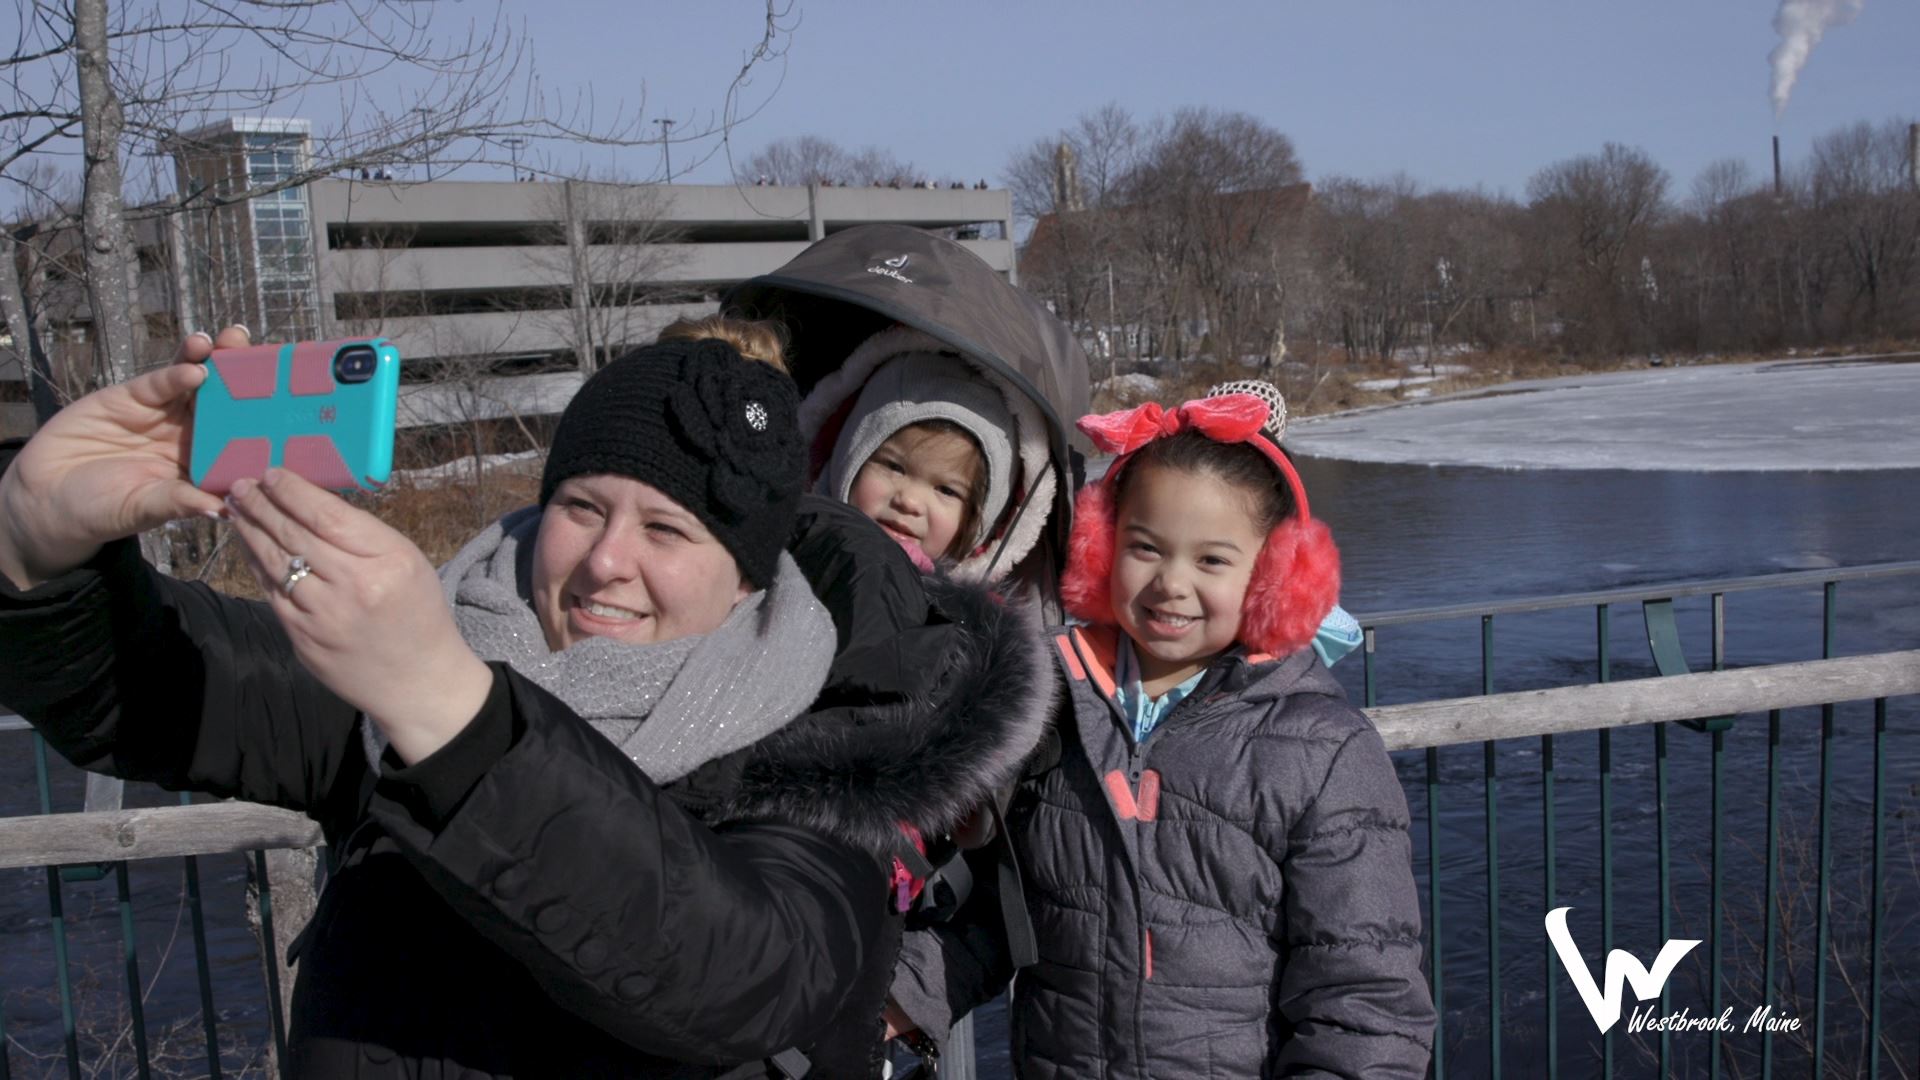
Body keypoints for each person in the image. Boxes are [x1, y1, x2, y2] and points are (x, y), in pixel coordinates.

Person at [0, 325, 1049, 1077]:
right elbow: (150, 691)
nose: (605, 563)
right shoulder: (417, 657)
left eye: (668, 531)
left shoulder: (828, 747)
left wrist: (452, 712)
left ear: (746, 579)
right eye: (582, 507)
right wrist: (38, 551)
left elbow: (734, 975)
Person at [890, 390, 1437, 1076]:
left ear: (1274, 576)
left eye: (1211, 561)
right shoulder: (1048, 704)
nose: (1171, 583)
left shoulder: (1322, 751)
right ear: (1101, 547)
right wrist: (893, 998)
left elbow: (1365, 1004)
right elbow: (1010, 910)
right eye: (1146, 548)